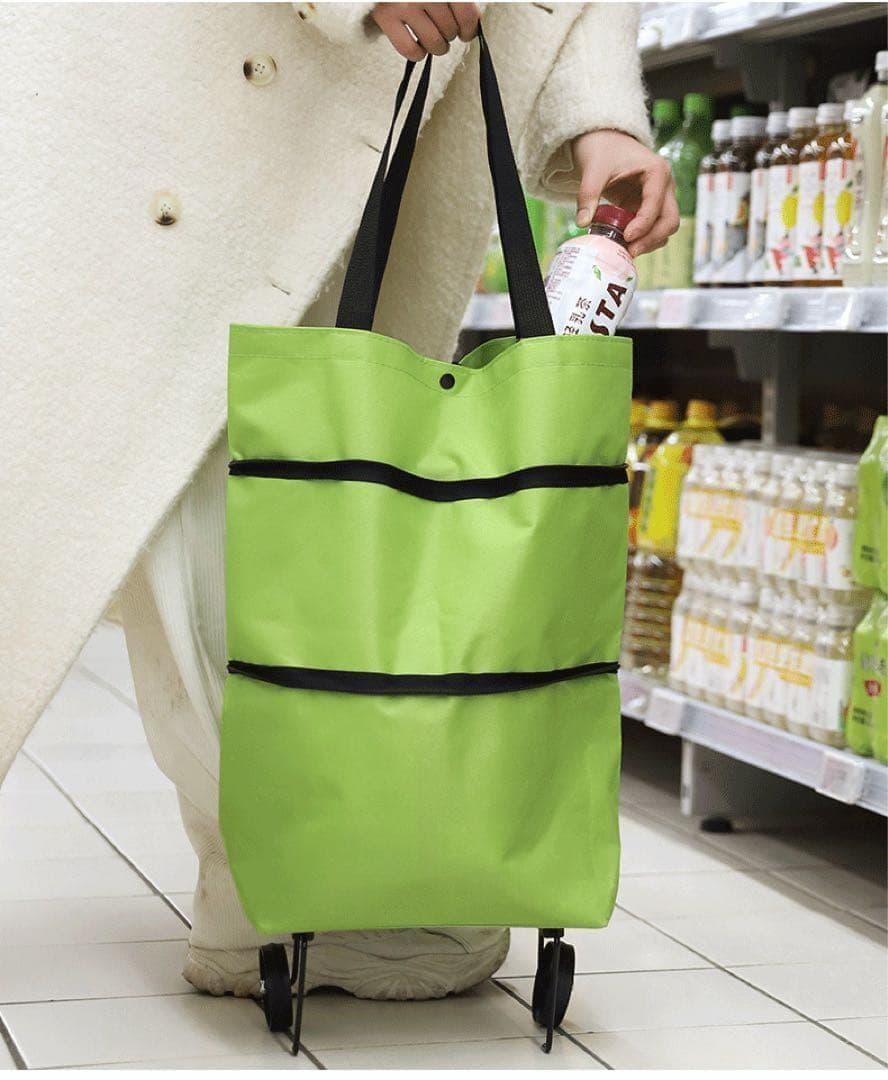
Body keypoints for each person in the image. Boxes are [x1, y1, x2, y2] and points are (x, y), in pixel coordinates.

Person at [1, 2, 678, 1000]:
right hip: (209, 101)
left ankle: (310, 886)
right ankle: (297, 885)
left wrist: (597, 115)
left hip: (399, 123)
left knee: (313, 545)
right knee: (180, 517)